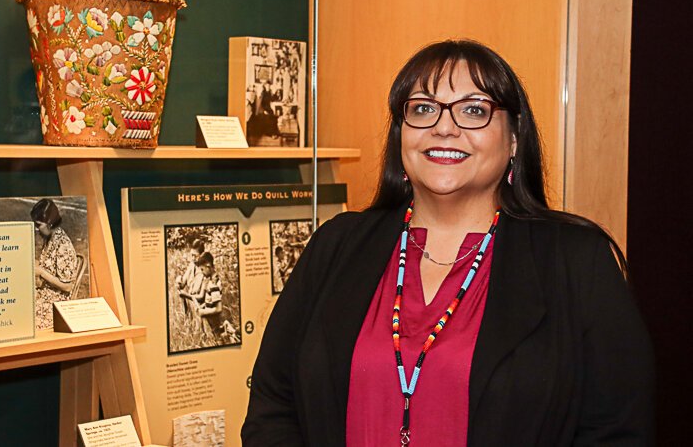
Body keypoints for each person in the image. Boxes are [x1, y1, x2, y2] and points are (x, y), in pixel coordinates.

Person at [242, 39, 654, 446]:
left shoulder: (576, 260)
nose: (444, 127)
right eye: (423, 108)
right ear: (402, 135)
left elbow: (617, 431)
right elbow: (274, 403)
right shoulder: (336, 245)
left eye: (474, 110)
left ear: (513, 139)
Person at [31, 198, 79, 329]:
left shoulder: (63, 244)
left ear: (49, 223)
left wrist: (41, 272)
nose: (36, 229)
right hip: (45, 295)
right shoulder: (50, 238)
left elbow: (67, 287)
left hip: (57, 302)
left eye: (38, 225)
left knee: (26, 320)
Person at [177, 239, 206, 318]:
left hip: (201, 308)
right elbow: (182, 284)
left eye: (195, 256)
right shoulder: (191, 266)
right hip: (189, 307)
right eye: (191, 255)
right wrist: (179, 280)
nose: (193, 258)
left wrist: (186, 295)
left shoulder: (205, 271)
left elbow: (201, 297)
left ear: (202, 255)